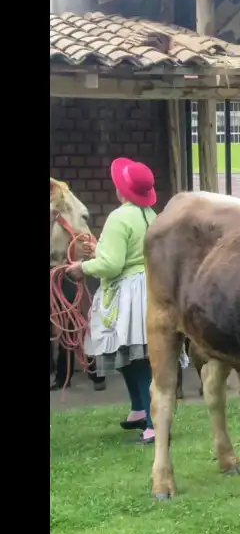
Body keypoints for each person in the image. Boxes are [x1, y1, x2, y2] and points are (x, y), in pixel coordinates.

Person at [66, 158, 159, 444]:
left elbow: (112, 265)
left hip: (128, 295)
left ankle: (152, 423)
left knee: (137, 358)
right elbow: (123, 252)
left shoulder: (119, 217)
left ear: (121, 191)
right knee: (131, 356)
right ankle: (138, 409)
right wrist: (100, 250)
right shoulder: (150, 214)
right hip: (149, 289)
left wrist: (82, 267)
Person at [49, 273, 106, 392]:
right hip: (58, 276)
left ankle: (95, 373)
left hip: (83, 273)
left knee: (86, 325)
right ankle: (64, 376)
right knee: (67, 328)